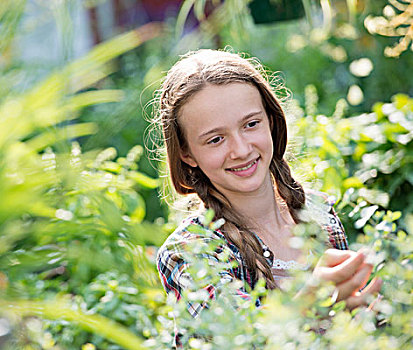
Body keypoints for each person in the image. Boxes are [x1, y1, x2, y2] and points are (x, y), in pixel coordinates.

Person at [153, 49, 382, 347]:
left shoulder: (317, 212)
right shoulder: (189, 252)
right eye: (215, 139)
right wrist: (307, 307)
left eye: (251, 124)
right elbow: (237, 342)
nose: (241, 149)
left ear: (271, 122)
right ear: (186, 154)